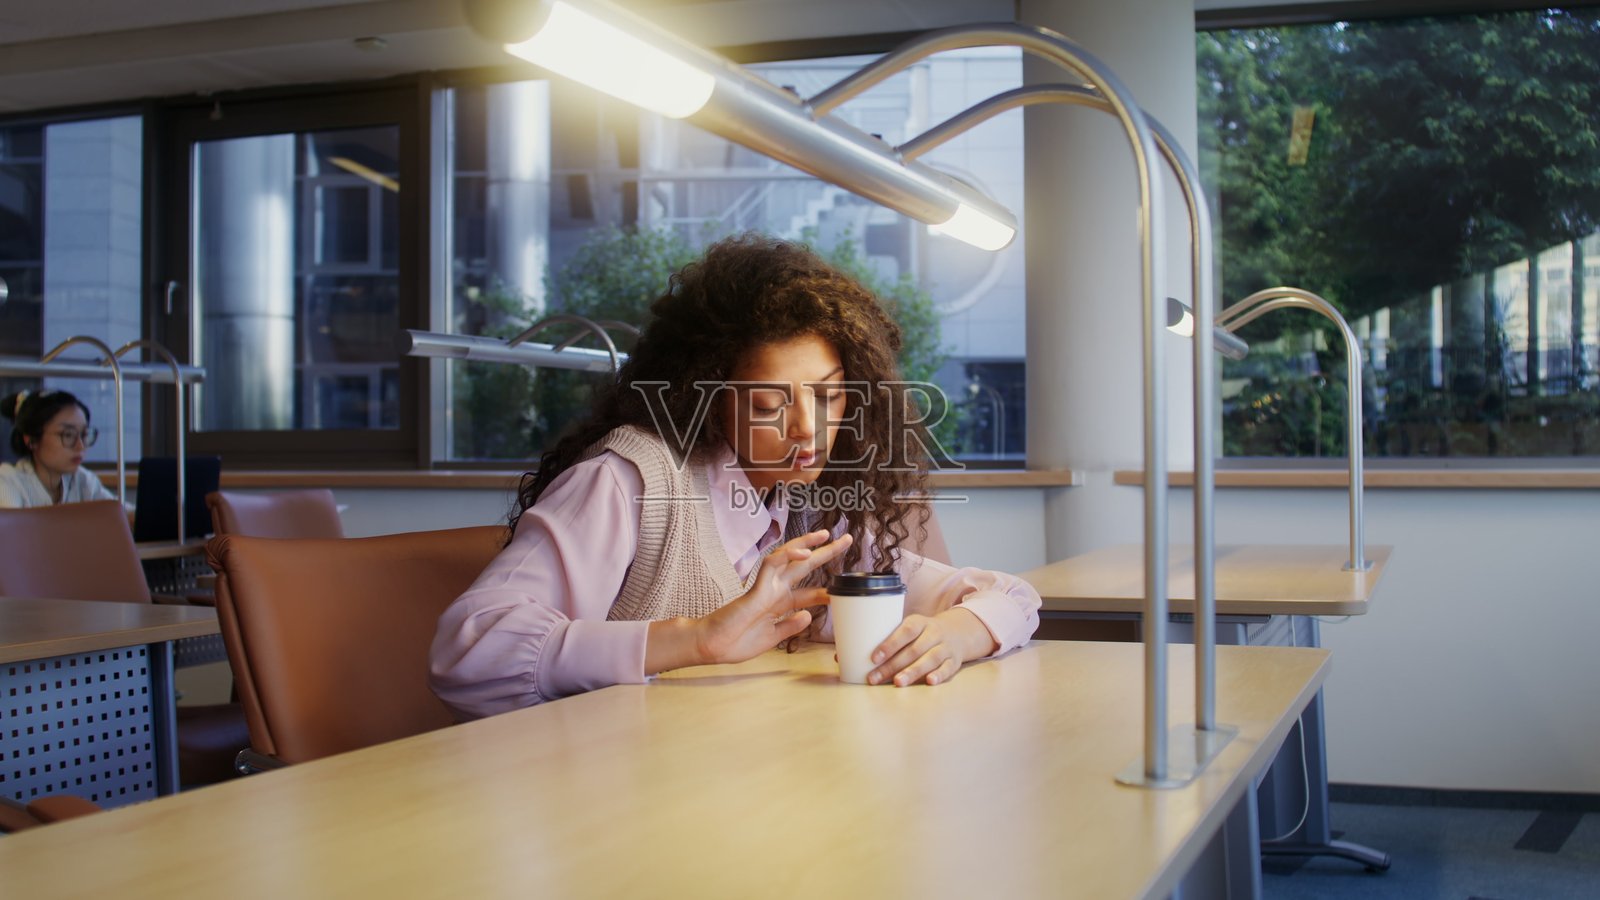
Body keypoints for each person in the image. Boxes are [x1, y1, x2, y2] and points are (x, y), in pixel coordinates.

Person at [429, 235, 1040, 720]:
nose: (809, 429)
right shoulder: (629, 481)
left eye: (828, 397)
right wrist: (694, 639)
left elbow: (1012, 597)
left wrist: (958, 637)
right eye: (772, 404)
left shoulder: (806, 511)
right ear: (709, 398)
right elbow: (469, 651)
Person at [0, 389, 119, 509]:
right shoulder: (7, 481)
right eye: (68, 435)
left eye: (84, 434)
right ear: (31, 440)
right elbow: (12, 525)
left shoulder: (83, 480)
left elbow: (121, 514)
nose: (80, 446)